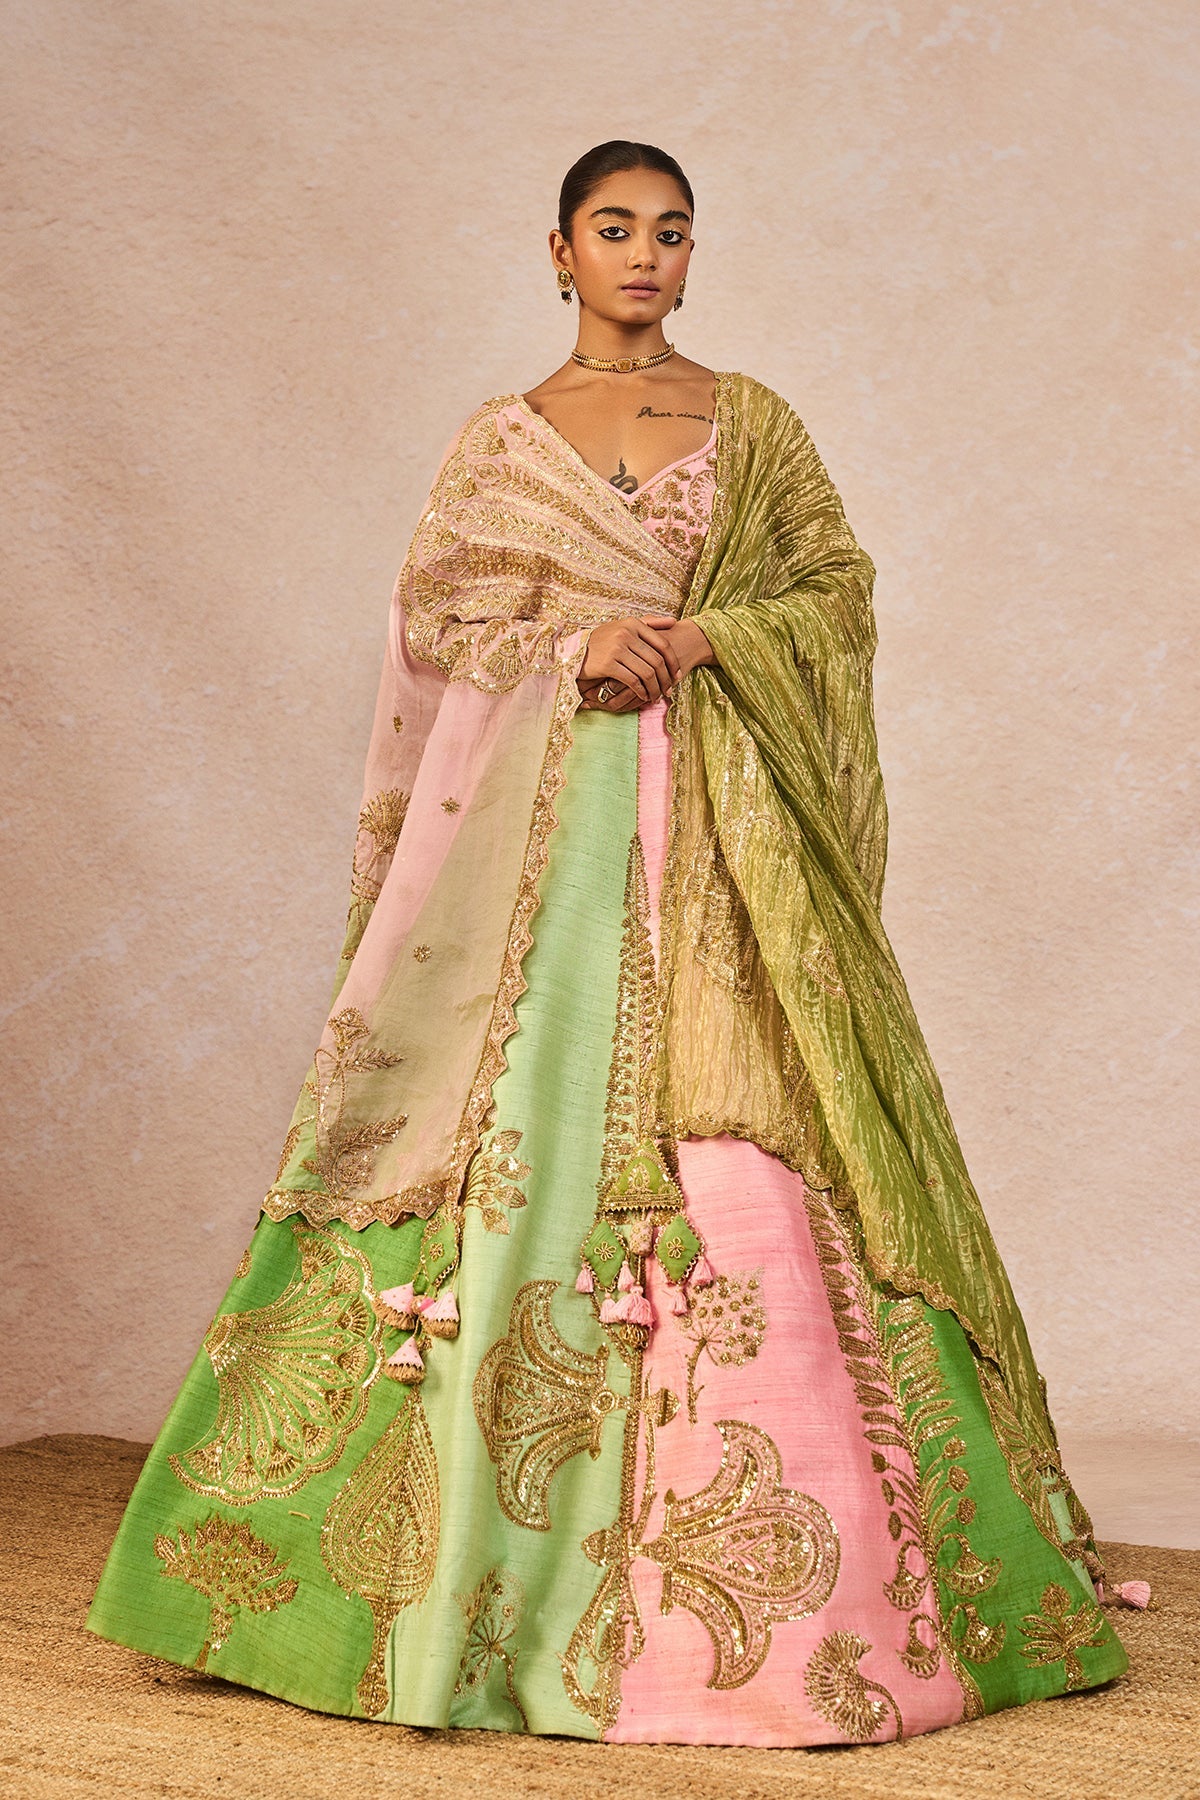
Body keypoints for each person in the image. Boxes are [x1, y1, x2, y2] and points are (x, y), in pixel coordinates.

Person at [87, 139, 1140, 1748]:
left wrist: (707, 634)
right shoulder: (502, 440)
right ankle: (461, 1599)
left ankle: (819, 1612)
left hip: (727, 851)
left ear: (692, 255)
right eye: (615, 228)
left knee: (759, 1150)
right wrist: (577, 646)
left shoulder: (752, 423)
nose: (646, 255)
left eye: (672, 231)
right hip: (546, 853)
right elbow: (437, 618)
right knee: (513, 1136)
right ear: (560, 250)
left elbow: (836, 592)